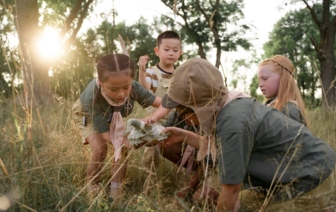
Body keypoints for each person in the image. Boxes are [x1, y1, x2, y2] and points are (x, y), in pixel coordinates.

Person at [150, 57, 336, 211]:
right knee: (244, 206)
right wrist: (183, 135)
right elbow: (220, 146)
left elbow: (230, 190)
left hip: (312, 177)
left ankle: (318, 205)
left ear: (196, 106)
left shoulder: (233, 123)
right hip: (281, 178)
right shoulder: (228, 105)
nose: (186, 121)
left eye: (184, 113)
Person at [71, 54, 161, 200]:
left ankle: (116, 192)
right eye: (113, 89)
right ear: (100, 82)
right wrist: (125, 141)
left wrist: (152, 118)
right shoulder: (92, 97)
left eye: (126, 87)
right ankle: (92, 191)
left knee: (122, 149)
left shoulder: (135, 88)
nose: (121, 94)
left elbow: (162, 104)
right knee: (100, 148)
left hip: (111, 115)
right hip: (86, 113)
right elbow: (104, 132)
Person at [138, 30, 202, 201]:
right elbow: (145, 90)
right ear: (157, 51)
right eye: (167, 49)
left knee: (184, 149)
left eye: (175, 50)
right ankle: (150, 187)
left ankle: (191, 178)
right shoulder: (152, 72)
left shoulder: (181, 73)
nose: (171, 53)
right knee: (152, 154)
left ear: (180, 53)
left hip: (178, 121)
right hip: (156, 119)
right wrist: (142, 71)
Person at [258, 55, 307, 125]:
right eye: (259, 80)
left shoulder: (289, 110)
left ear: (283, 78)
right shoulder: (272, 105)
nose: (260, 84)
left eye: (265, 79)